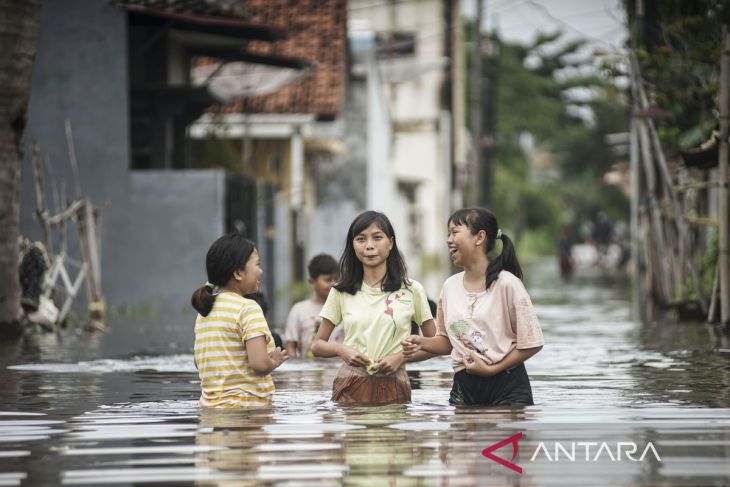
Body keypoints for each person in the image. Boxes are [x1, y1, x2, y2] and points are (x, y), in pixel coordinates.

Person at [402, 207, 544, 406]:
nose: (448, 240)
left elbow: (532, 343)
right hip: (464, 385)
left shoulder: (508, 284)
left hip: (507, 384)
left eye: (454, 232)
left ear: (480, 237)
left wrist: (492, 369)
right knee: (459, 437)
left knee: (503, 438)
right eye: (447, 234)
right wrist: (421, 342)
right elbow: (447, 341)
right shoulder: (449, 286)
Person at [310, 210, 437, 404]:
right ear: (352, 245)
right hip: (350, 384)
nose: (369, 246)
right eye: (361, 239)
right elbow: (317, 345)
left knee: (394, 434)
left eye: (377, 238)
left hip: (395, 384)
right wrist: (341, 350)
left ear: (391, 243)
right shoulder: (341, 291)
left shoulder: (413, 290)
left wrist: (400, 357)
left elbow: (435, 344)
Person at [191, 233, 288, 408]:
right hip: (247, 408)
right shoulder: (248, 308)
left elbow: (199, 362)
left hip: (209, 408)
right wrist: (274, 361)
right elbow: (259, 364)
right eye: (257, 264)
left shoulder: (204, 311)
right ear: (237, 273)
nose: (261, 270)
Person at [284, 254, 344, 358]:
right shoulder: (299, 310)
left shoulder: (345, 308)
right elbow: (290, 345)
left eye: (336, 279)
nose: (333, 284)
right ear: (312, 282)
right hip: (308, 372)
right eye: (328, 280)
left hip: (339, 370)